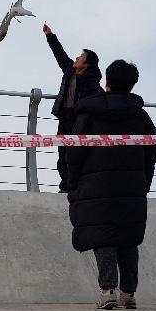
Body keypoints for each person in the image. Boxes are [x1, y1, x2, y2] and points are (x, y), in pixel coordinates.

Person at [66, 60, 156, 310]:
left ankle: (107, 290)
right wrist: (144, 180)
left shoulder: (89, 112)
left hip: (94, 183)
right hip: (132, 183)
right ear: (132, 83)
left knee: (103, 234)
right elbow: (152, 150)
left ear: (107, 81)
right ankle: (128, 293)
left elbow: (75, 151)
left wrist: (72, 182)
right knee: (128, 236)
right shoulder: (140, 114)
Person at [42, 23, 103, 192]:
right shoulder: (70, 70)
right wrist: (50, 35)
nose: (77, 58)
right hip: (64, 116)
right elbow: (60, 55)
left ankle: (76, 185)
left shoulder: (92, 82)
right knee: (62, 151)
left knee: (76, 152)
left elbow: (98, 100)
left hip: (79, 120)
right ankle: (65, 185)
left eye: (81, 57)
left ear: (87, 64)